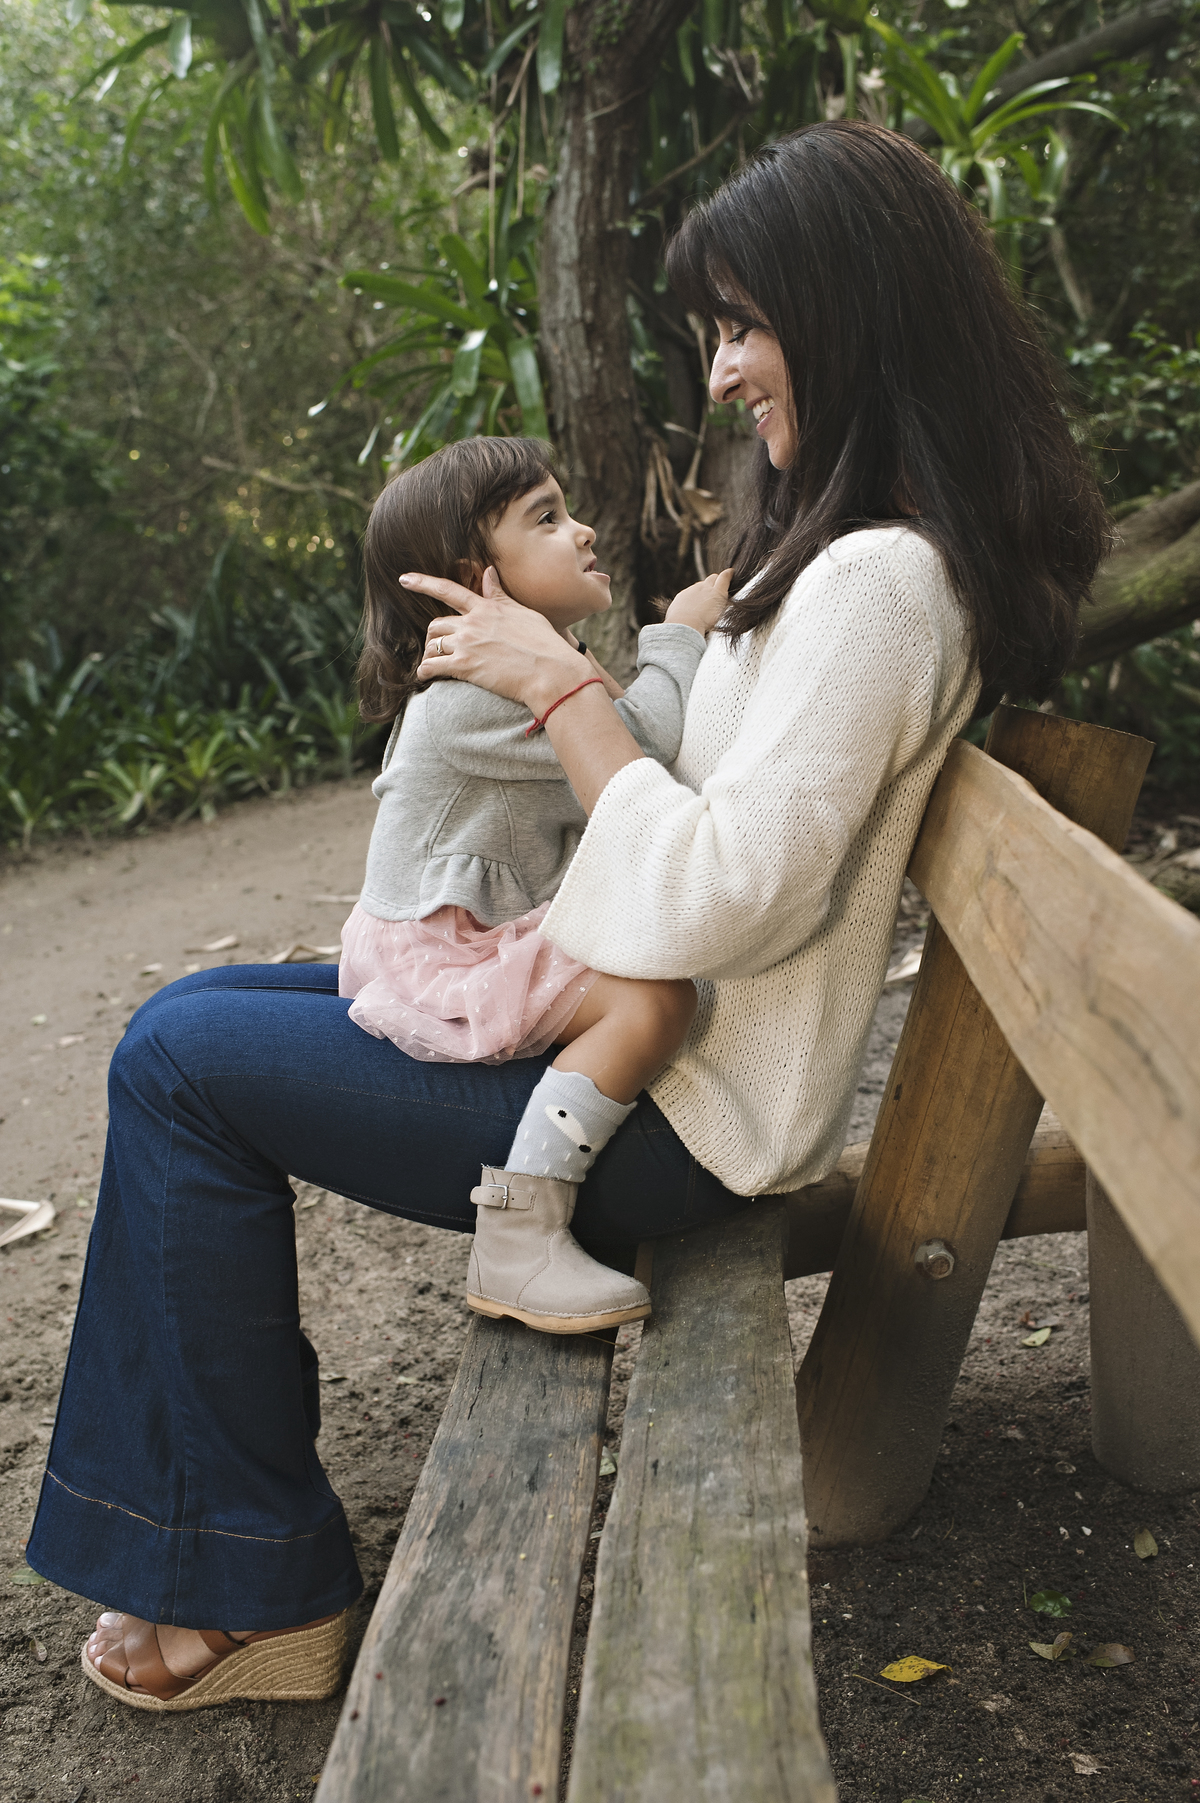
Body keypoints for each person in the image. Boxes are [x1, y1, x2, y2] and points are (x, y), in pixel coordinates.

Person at [28, 119, 1108, 1712]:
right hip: (640, 1044)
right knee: (189, 1031)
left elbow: (721, 891)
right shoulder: (848, 559)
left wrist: (563, 691)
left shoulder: (883, 582)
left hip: (674, 1111)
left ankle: (246, 1582)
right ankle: (223, 1549)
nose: (728, 373)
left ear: (854, 310)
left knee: (181, 1061)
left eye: (746, 325)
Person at [338, 434, 732, 1334]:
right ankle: (518, 1234)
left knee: (650, 982)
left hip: (467, 926)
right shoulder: (485, 694)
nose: (583, 531)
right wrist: (682, 631)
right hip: (441, 953)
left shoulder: (518, 673)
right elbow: (642, 747)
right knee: (651, 1003)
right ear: (482, 581)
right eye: (547, 519)